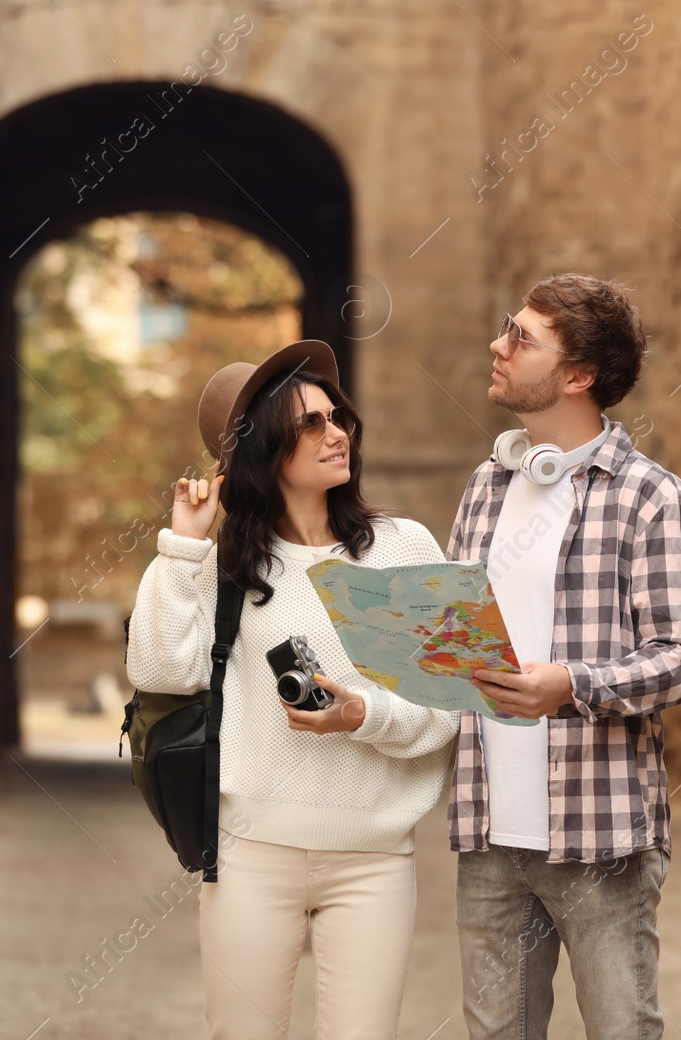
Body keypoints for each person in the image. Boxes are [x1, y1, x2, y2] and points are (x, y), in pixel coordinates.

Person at [124, 339, 459, 1040]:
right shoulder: (232, 565)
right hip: (251, 856)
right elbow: (159, 673)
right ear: (264, 449)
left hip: (373, 861)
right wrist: (183, 544)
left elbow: (447, 713)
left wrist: (361, 713)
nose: (336, 432)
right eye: (310, 423)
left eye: (337, 417)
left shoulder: (400, 548)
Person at [446, 274, 681, 1038]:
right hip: (489, 832)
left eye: (520, 338)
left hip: (602, 837)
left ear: (577, 375)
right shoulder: (486, 487)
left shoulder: (652, 497)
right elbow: (460, 641)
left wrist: (572, 684)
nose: (497, 345)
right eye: (506, 327)